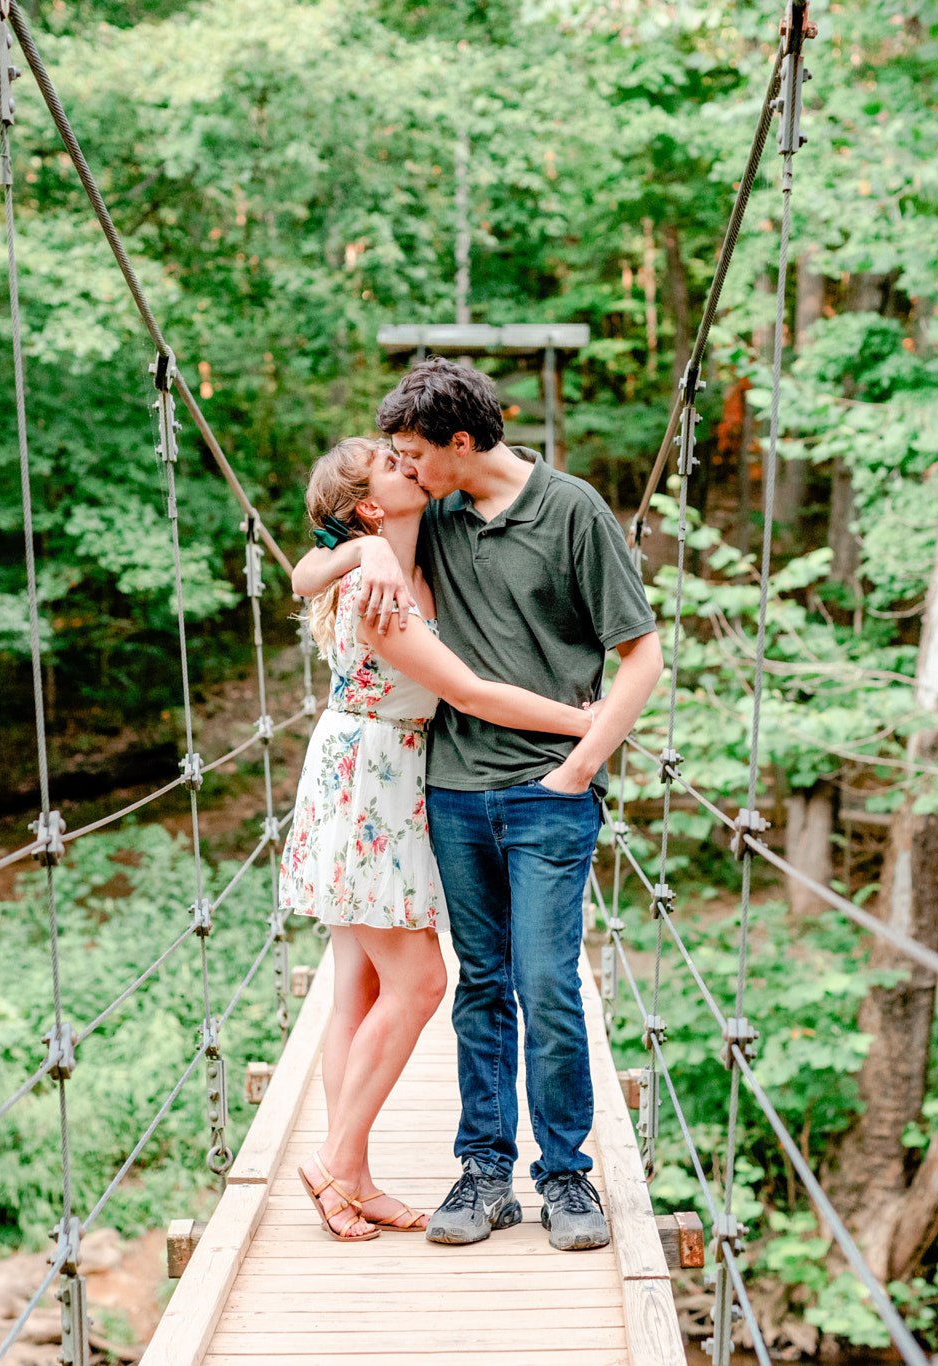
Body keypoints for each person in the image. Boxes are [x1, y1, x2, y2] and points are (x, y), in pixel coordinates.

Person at [291, 361, 662, 1251]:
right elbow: (316, 558)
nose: (403, 466)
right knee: (479, 987)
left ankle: (566, 1178)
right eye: (396, 459)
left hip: (546, 792)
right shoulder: (423, 523)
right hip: (444, 792)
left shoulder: (571, 511)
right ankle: (482, 1169)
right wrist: (364, 544)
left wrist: (580, 762)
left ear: (460, 446)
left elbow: (644, 655)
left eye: (412, 453)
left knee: (547, 982)